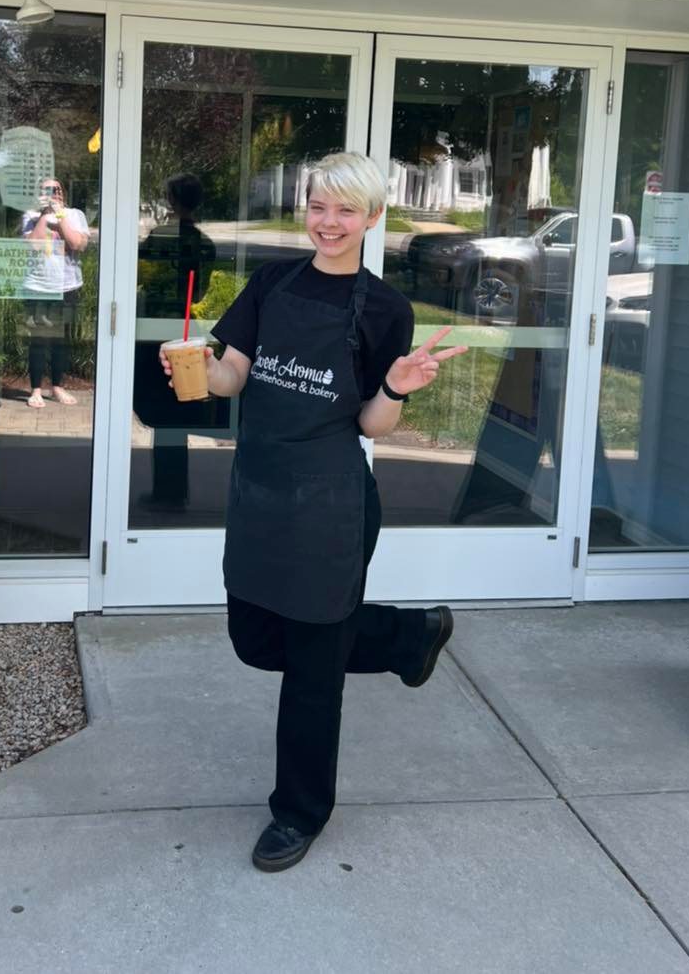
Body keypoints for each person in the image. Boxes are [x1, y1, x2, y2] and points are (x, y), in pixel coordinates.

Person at [160, 151, 467, 872]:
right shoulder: (271, 283)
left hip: (331, 502)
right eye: (318, 206)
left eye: (345, 210)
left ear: (371, 217)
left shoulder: (385, 308)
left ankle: (298, 814)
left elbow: (371, 425)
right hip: (262, 490)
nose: (328, 223)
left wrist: (395, 385)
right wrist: (202, 366)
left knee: (312, 673)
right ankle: (403, 636)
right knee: (257, 641)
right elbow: (236, 372)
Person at [134, 174, 218, 511]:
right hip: (183, 329)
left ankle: (168, 493)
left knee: (161, 411)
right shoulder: (205, 243)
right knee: (176, 412)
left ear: (171, 200)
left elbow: (140, 275)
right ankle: (172, 490)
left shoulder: (159, 237)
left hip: (154, 330)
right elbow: (199, 292)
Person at [21, 176, 90, 408]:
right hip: (38, 287)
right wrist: (44, 214)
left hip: (67, 286)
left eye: (57, 189)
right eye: (47, 190)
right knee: (38, 339)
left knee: (62, 340)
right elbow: (33, 245)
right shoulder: (31, 216)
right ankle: (36, 389)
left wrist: (59, 218)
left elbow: (77, 244)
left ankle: (58, 387)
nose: (54, 193)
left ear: (63, 193)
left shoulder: (75, 215)